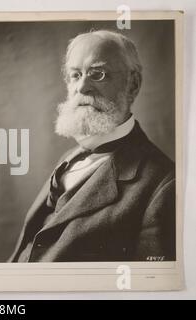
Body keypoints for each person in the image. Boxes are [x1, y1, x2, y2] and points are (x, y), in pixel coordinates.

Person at [9, 30, 176, 262]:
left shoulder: (164, 184)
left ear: (133, 84)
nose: (82, 87)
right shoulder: (70, 157)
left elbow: (146, 287)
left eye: (98, 74)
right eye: (76, 75)